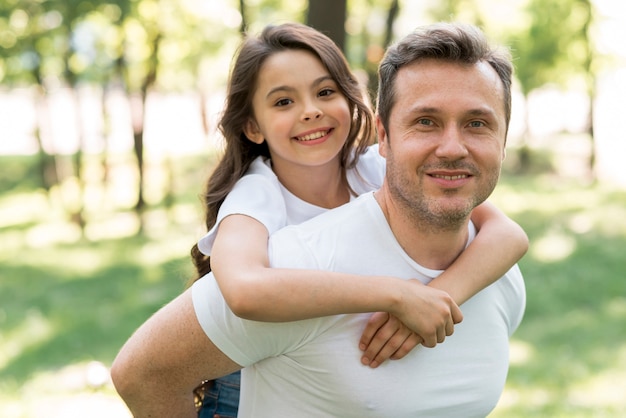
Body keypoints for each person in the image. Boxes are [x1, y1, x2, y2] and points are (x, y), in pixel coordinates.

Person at [111, 22, 527, 417]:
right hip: (238, 381)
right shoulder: (256, 197)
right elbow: (243, 290)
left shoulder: (370, 167)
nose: (310, 112)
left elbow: (507, 235)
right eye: (283, 101)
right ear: (253, 125)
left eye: (324, 92)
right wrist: (395, 295)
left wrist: (440, 294)